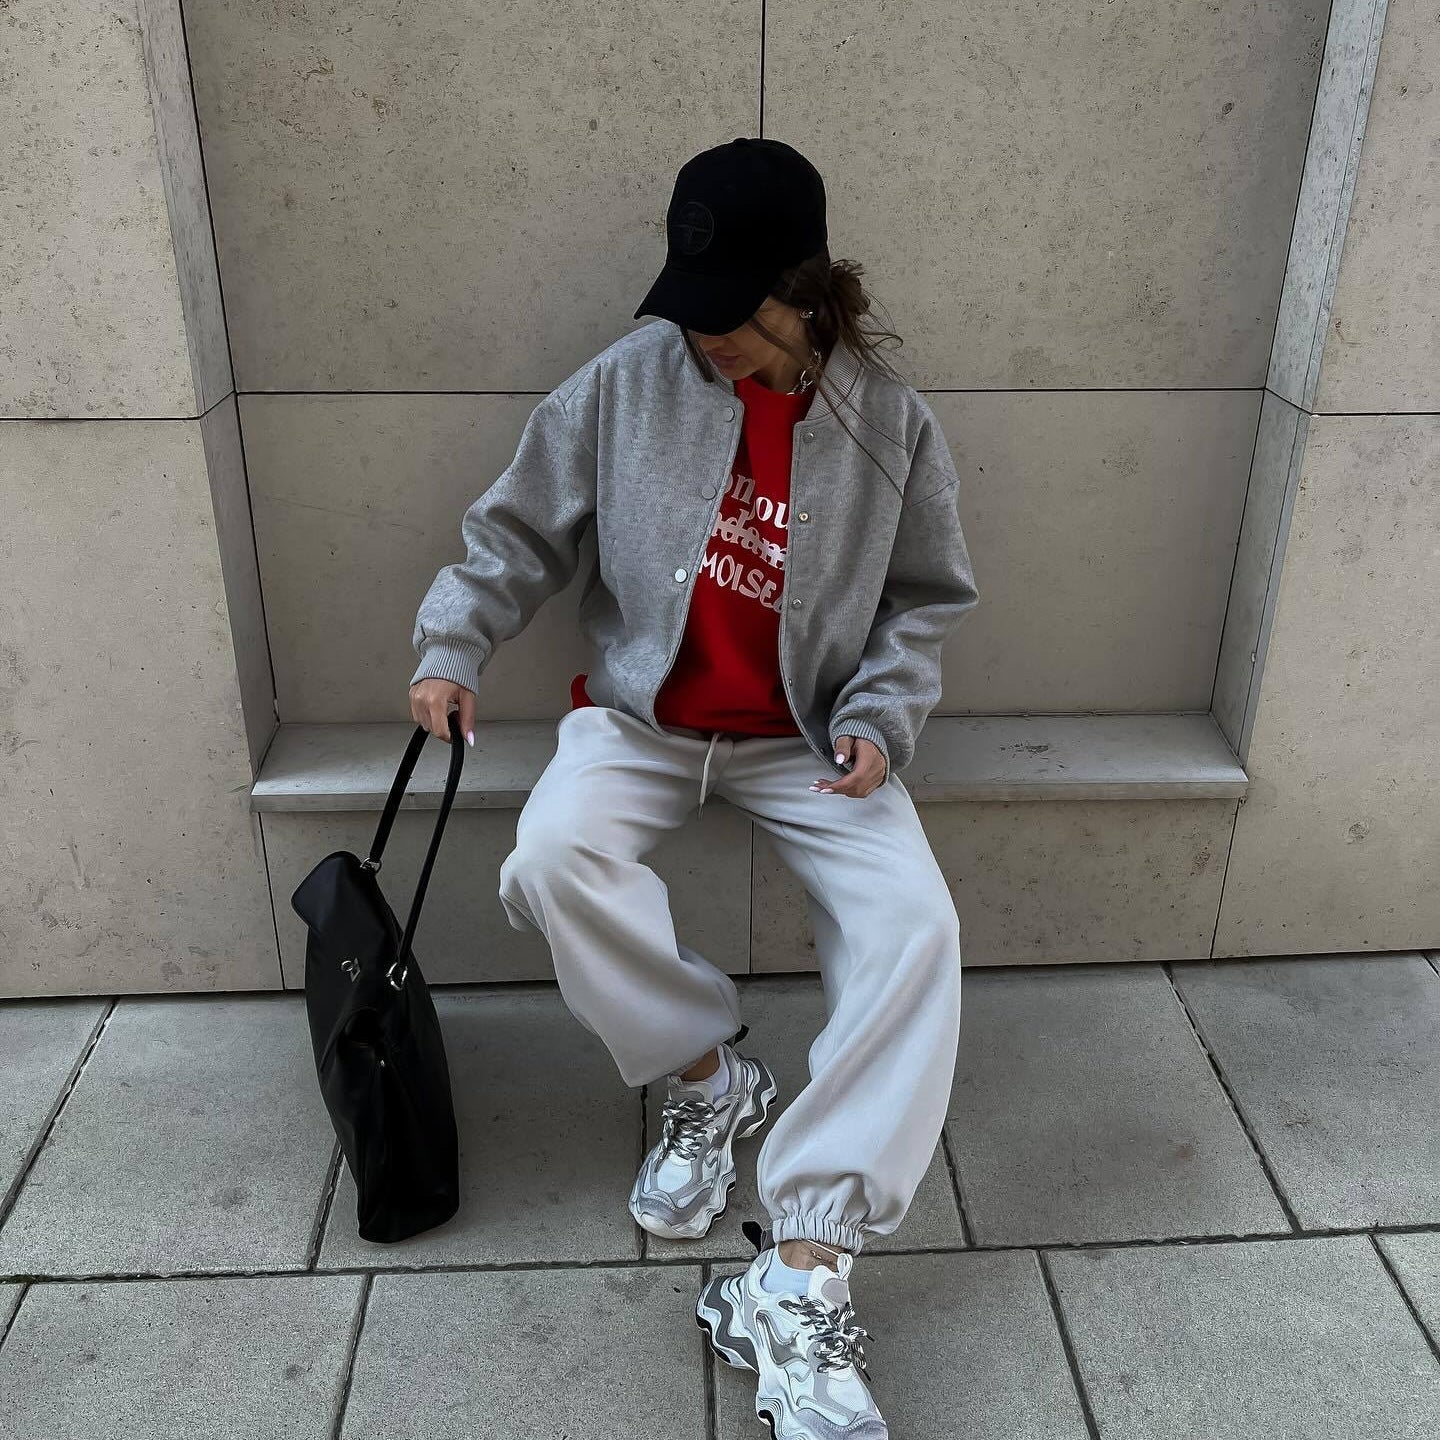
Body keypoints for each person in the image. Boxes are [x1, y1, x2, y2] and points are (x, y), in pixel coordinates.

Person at [408, 137, 979, 1440]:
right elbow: (516, 528)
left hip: (805, 736)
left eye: (733, 309)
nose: (705, 333)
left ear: (807, 292)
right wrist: (452, 645)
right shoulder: (628, 383)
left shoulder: (889, 423)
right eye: (691, 304)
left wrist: (882, 717)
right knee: (550, 858)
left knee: (916, 928)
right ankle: (709, 1077)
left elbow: (927, 598)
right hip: (643, 721)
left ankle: (804, 1264)